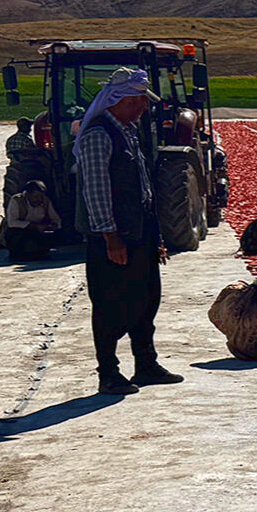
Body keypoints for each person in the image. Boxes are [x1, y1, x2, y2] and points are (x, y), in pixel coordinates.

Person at [72, 69, 181, 395]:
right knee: (111, 303)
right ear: (120, 100)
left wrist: (157, 236)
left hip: (140, 230)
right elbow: (96, 190)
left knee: (146, 299)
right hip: (115, 235)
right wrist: (110, 237)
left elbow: (144, 188)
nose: (143, 108)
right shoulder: (98, 135)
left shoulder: (129, 131)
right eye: (138, 102)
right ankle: (109, 372)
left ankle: (146, 364)